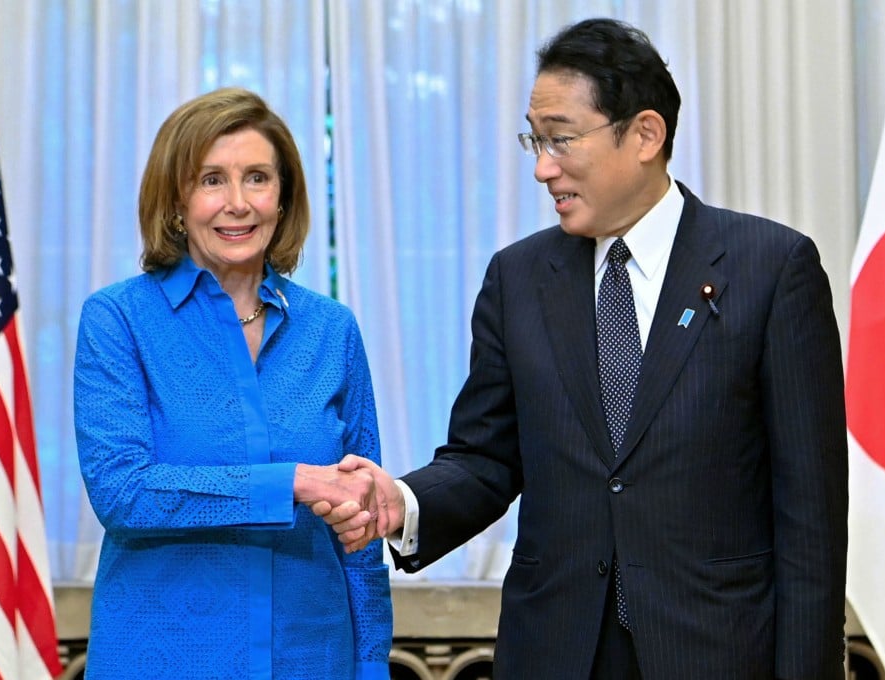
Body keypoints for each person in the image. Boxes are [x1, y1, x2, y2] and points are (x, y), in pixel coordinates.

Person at [320, 18, 848, 680]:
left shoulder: (770, 270)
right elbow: (485, 457)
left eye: (562, 140)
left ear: (646, 135)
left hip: (715, 651)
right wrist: (403, 501)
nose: (543, 167)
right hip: (556, 651)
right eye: (534, 141)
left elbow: (812, 523)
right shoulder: (519, 280)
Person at [74, 87, 392, 679]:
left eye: (258, 178)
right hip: (162, 655)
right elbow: (123, 493)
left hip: (314, 657)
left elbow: (362, 522)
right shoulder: (117, 319)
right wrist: (291, 482)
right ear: (176, 198)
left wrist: (371, 664)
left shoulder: (332, 330)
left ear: (284, 196)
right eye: (212, 179)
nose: (238, 203)